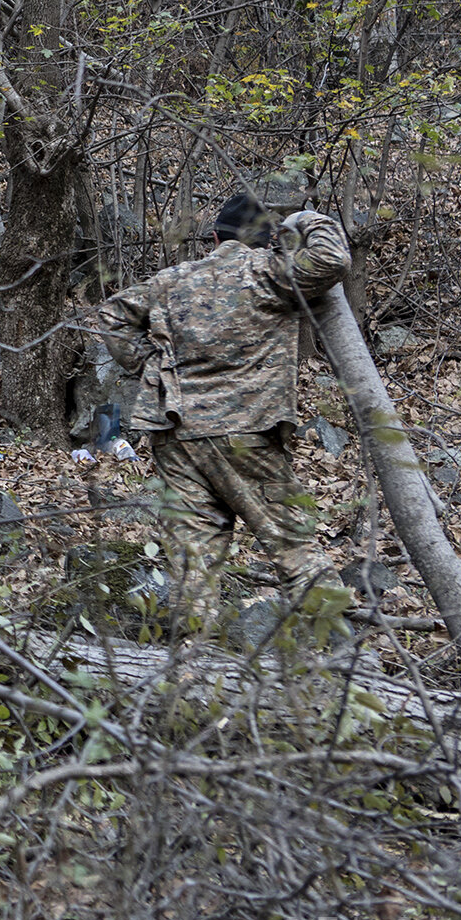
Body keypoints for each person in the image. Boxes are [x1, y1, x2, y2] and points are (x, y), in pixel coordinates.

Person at [100, 192, 349, 633]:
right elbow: (331, 258)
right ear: (270, 240)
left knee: (193, 562)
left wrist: (149, 365)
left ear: (215, 237)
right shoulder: (268, 273)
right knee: (294, 546)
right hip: (245, 433)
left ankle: (193, 672)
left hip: (175, 436)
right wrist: (309, 218)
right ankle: (342, 662)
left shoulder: (174, 279)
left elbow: (113, 314)